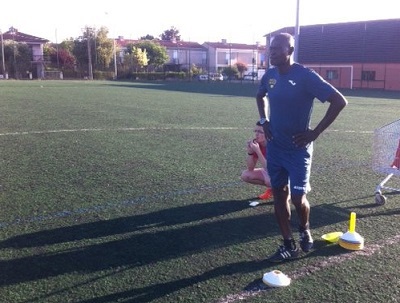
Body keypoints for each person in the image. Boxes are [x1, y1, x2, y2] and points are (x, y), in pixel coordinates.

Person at [256, 33, 348, 262]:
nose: (272, 52)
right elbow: (260, 96)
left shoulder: (306, 76)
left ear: (290, 51)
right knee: (279, 195)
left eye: (278, 48)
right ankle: (288, 244)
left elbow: (339, 101)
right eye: (271, 48)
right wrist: (264, 121)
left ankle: (304, 228)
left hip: (298, 150)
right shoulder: (269, 76)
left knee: (298, 197)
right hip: (276, 148)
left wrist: (314, 133)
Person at [241, 121, 273, 201]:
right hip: (271, 172)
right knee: (245, 175)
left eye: (260, 132)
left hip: (284, 175)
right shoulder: (258, 144)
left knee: (270, 180)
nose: (256, 134)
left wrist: (258, 151)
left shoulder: (273, 146)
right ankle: (272, 189)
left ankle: (287, 191)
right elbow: (250, 168)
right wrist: (250, 152)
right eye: (256, 131)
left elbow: (269, 168)